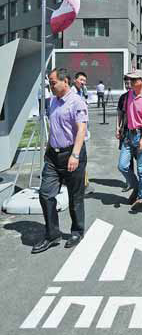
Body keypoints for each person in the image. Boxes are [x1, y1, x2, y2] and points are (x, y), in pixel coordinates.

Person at [32, 68, 88, 254]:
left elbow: (81, 130)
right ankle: (52, 234)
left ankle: (77, 231)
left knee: (75, 197)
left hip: (72, 154)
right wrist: (48, 150)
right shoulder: (53, 102)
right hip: (53, 156)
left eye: (53, 82)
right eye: (49, 82)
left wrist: (75, 155)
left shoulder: (76, 102)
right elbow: (55, 127)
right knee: (46, 194)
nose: (51, 85)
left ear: (65, 81)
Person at [117, 70, 142, 210]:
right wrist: (120, 128)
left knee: (141, 169)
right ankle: (137, 187)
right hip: (129, 134)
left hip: (141, 135)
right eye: (130, 79)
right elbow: (124, 114)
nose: (131, 82)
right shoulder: (128, 95)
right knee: (122, 165)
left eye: (134, 80)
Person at [71, 71, 94, 196]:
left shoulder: (82, 92)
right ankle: (82, 186)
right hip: (76, 132)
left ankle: (83, 183)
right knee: (79, 159)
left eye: (84, 80)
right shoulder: (72, 93)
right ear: (75, 80)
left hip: (84, 130)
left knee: (82, 159)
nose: (83, 82)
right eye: (81, 80)